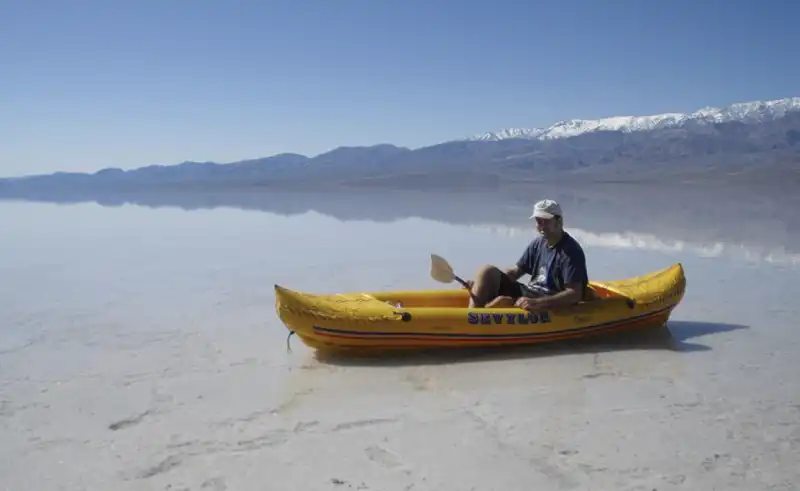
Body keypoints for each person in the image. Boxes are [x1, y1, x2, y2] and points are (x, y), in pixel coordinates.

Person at [466, 199, 589, 311]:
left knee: (500, 297)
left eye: (546, 221)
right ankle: (474, 315)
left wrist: (537, 303)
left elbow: (574, 294)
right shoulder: (538, 244)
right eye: (538, 221)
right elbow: (515, 272)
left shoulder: (571, 252)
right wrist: (482, 284)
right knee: (487, 271)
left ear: (559, 221)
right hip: (530, 292)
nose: (541, 226)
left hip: (548, 299)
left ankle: (489, 311)